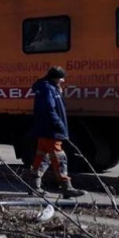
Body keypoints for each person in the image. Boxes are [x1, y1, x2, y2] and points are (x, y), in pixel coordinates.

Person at [30, 66, 86, 198]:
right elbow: (50, 109)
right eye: (61, 78)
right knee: (59, 157)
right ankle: (66, 187)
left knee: (42, 157)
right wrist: (59, 125)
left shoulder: (47, 87)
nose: (63, 80)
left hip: (45, 129)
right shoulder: (48, 89)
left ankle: (34, 186)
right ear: (55, 77)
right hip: (51, 130)